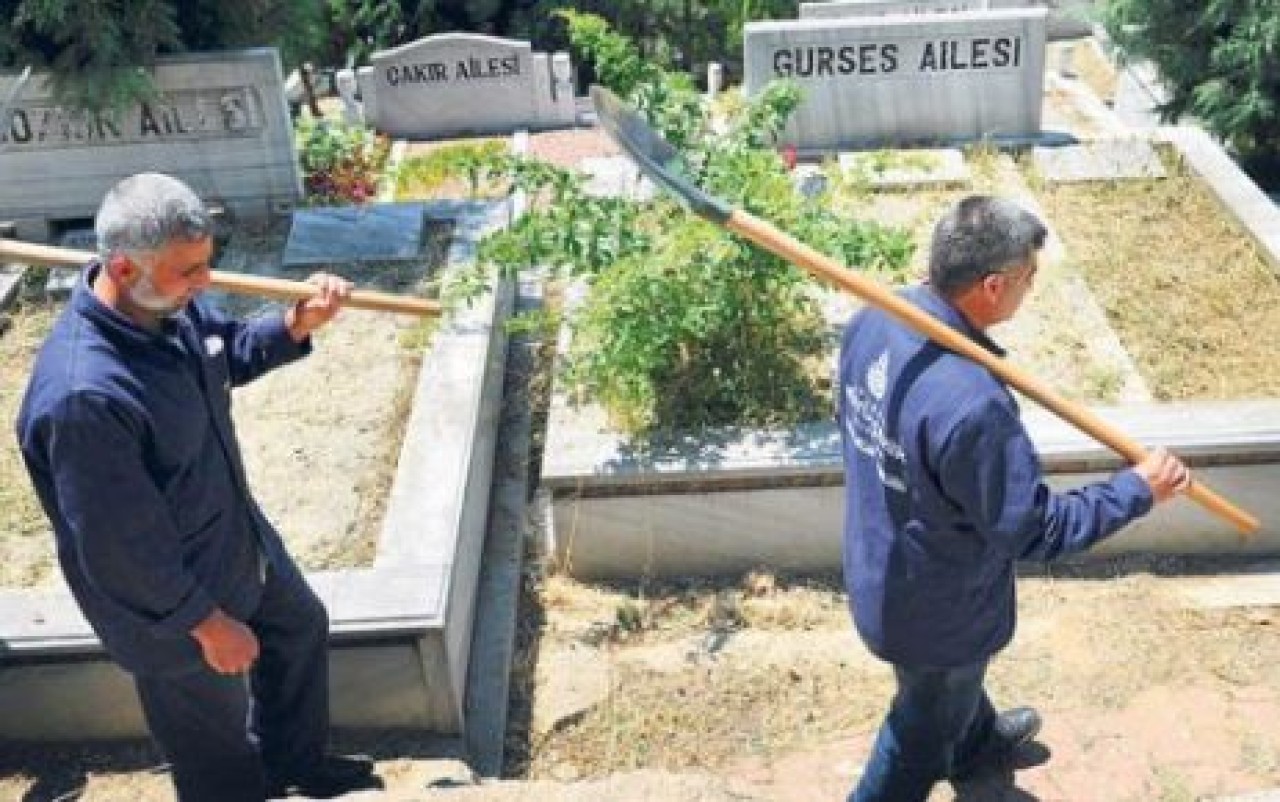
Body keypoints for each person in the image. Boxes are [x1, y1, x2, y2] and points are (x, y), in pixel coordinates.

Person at [16, 173, 378, 801]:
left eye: (207, 264)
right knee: (214, 745)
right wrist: (208, 624)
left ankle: (295, 764)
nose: (205, 281)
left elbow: (225, 351)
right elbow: (120, 552)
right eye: (190, 271)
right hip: (170, 605)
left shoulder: (168, 310)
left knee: (298, 629)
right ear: (125, 270)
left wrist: (295, 324)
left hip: (235, 540)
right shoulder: (85, 398)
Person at [837, 195, 1190, 801]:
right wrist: (1137, 490)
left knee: (940, 690)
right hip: (938, 612)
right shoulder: (972, 405)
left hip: (885, 570)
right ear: (994, 286)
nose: (1032, 287)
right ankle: (943, 747)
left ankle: (977, 746)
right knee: (916, 737)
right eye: (1030, 276)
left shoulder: (873, 321)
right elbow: (1035, 530)